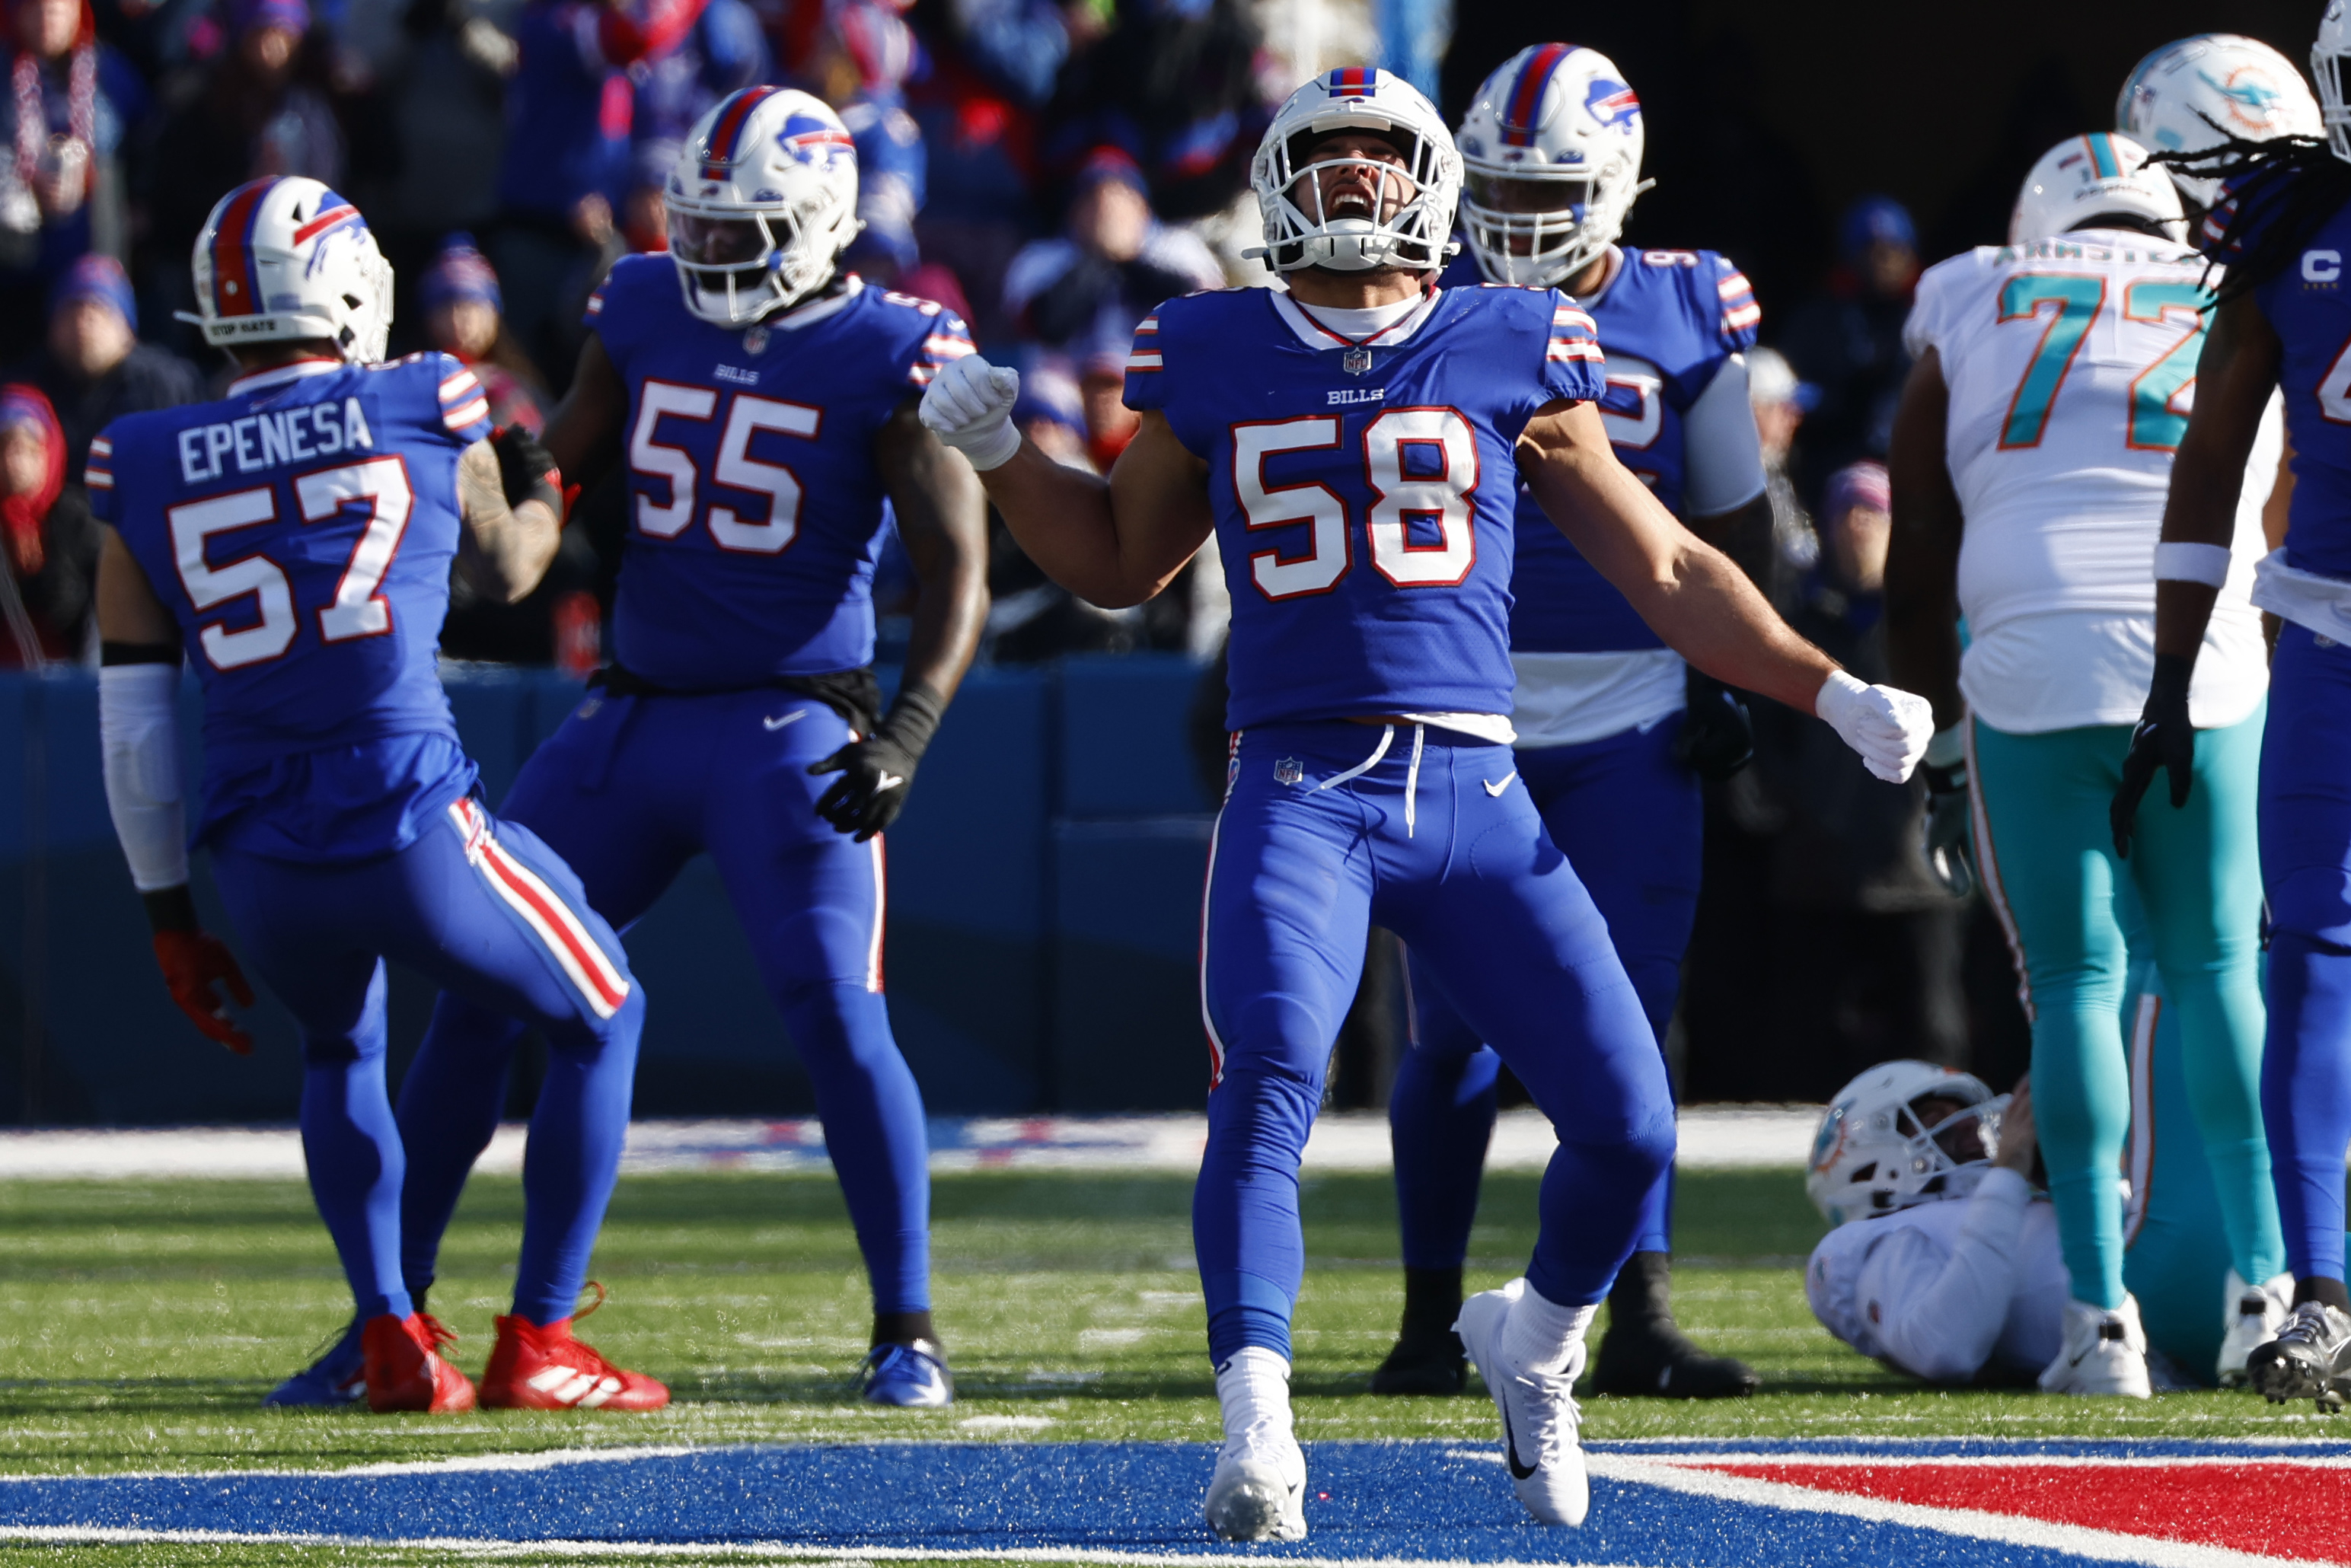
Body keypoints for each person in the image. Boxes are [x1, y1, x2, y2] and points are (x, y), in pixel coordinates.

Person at [917, 67, 1932, 1540]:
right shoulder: (1208, 346)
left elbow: (1664, 568)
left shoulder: (1508, 334)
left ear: (1424, 183)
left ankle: (1530, 1344)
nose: (1346, 187)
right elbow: (1120, 563)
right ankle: (1257, 1425)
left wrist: (1825, 689)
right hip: (1299, 785)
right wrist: (1008, 455)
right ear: (1274, 186)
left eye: (1370, 161)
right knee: (1265, 1080)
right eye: (1317, 162)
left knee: (1628, 1125)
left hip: (1474, 783)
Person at [386, 88, 990, 1408]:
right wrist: (506, 484)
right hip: (631, 714)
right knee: (479, 993)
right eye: (699, 226)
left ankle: (908, 1328)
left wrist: (906, 731)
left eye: (745, 231)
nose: (711, 254)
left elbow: (958, 569)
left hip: (792, 725)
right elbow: (562, 456)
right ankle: (398, 1318)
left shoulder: (893, 349)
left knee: (838, 1011)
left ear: (821, 224)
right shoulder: (642, 303)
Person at [89, 176, 665, 1413]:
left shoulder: (139, 459)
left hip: (254, 855)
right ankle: (543, 1338)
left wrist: (166, 917)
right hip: (406, 818)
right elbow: (515, 569)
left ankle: (388, 1331)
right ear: (348, 286)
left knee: (338, 1047)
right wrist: (534, 467)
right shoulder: (418, 396)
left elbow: (132, 717)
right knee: (605, 1010)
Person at [1363, 42, 1770, 1406]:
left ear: (1617, 186)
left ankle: (1633, 1313)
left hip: (1633, 707)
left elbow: (1726, 514)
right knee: (1451, 1032)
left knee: (1633, 1026)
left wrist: (1725, 674)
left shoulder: (1686, 302)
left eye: (1548, 190)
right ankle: (1427, 1314)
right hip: (1462, 707)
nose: (1518, 217)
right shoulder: (1426, 299)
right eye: (1496, 187)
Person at [1886, 133, 2285, 1398]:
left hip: (2031, 645)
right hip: (2206, 641)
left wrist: (1940, 742)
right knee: (2219, 965)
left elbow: (1915, 543)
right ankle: (2263, 1289)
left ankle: (2097, 1321)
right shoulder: (2244, 283)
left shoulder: (1964, 288)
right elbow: (2274, 504)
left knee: (2068, 983)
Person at [2114, 4, 2351, 1413]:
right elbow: (2205, 468)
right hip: (2324, 633)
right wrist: (2165, 677)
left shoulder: (2285, 226)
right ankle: (2321, 1290)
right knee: (2306, 953)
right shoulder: (2284, 234)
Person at [0, 0, 147, 359]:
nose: (46, 19)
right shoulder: (4, 71)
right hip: (16, 264)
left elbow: (147, 141)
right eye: (34, 9)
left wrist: (140, 206)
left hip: (95, 255)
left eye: (57, 9)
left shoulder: (107, 72)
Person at [11, 255, 202, 481]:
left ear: (127, 328)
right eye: (72, 309)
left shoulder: (167, 385)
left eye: (98, 309)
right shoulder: (22, 389)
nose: (83, 322)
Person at [0, 380, 94, 662]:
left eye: (28, 449)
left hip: (72, 684)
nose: (14, 462)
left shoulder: (77, 518)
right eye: (4, 447)